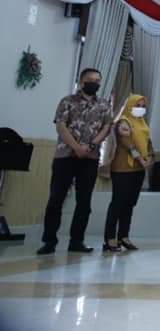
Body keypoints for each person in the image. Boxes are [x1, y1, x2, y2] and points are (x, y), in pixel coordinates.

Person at [37, 68, 114, 255]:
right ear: (81, 81)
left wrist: (92, 145)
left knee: (84, 202)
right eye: (90, 79)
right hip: (65, 156)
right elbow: (61, 126)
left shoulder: (104, 104)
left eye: (97, 80)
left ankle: (77, 241)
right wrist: (76, 147)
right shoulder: (67, 101)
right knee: (56, 199)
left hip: (90, 158)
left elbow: (106, 127)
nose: (94, 83)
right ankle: (49, 241)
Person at [103, 93, 154, 252]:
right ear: (130, 106)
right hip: (123, 168)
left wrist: (149, 157)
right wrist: (139, 158)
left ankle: (123, 236)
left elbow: (148, 143)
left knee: (130, 203)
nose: (140, 109)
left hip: (138, 169)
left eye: (143, 106)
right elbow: (126, 142)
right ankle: (110, 238)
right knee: (118, 202)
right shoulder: (123, 122)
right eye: (137, 105)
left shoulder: (143, 123)